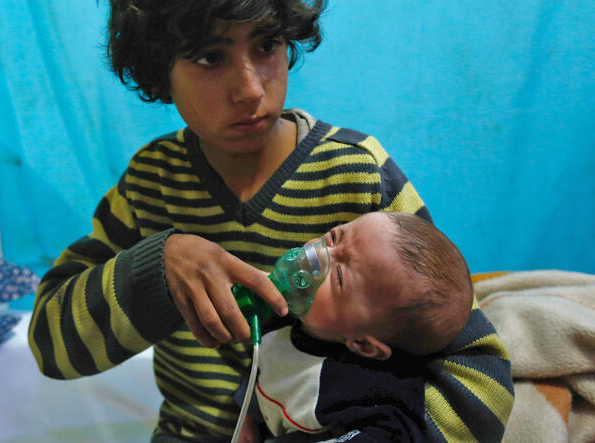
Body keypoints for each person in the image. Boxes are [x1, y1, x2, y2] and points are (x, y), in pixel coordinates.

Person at [28, 1, 513, 442]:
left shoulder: (357, 173)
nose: (250, 89)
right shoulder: (151, 183)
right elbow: (50, 348)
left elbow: (474, 366)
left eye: (266, 45)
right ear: (159, 68)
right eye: (209, 57)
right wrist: (158, 268)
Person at [238, 211, 475, 442]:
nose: (318, 255)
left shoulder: (362, 389)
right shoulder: (285, 314)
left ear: (363, 344)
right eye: (333, 238)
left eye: (338, 276)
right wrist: (249, 416)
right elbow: (265, 366)